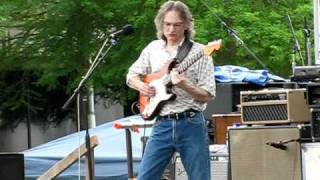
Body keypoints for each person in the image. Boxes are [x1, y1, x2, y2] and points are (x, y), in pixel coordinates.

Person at [126, 1, 216, 180]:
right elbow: (131, 76)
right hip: (162, 123)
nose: (171, 29)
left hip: (191, 124)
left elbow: (208, 95)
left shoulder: (200, 52)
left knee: (200, 177)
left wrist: (183, 85)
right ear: (161, 24)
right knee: (145, 176)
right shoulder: (153, 48)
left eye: (177, 25)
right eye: (167, 24)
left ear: (186, 26)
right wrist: (142, 86)